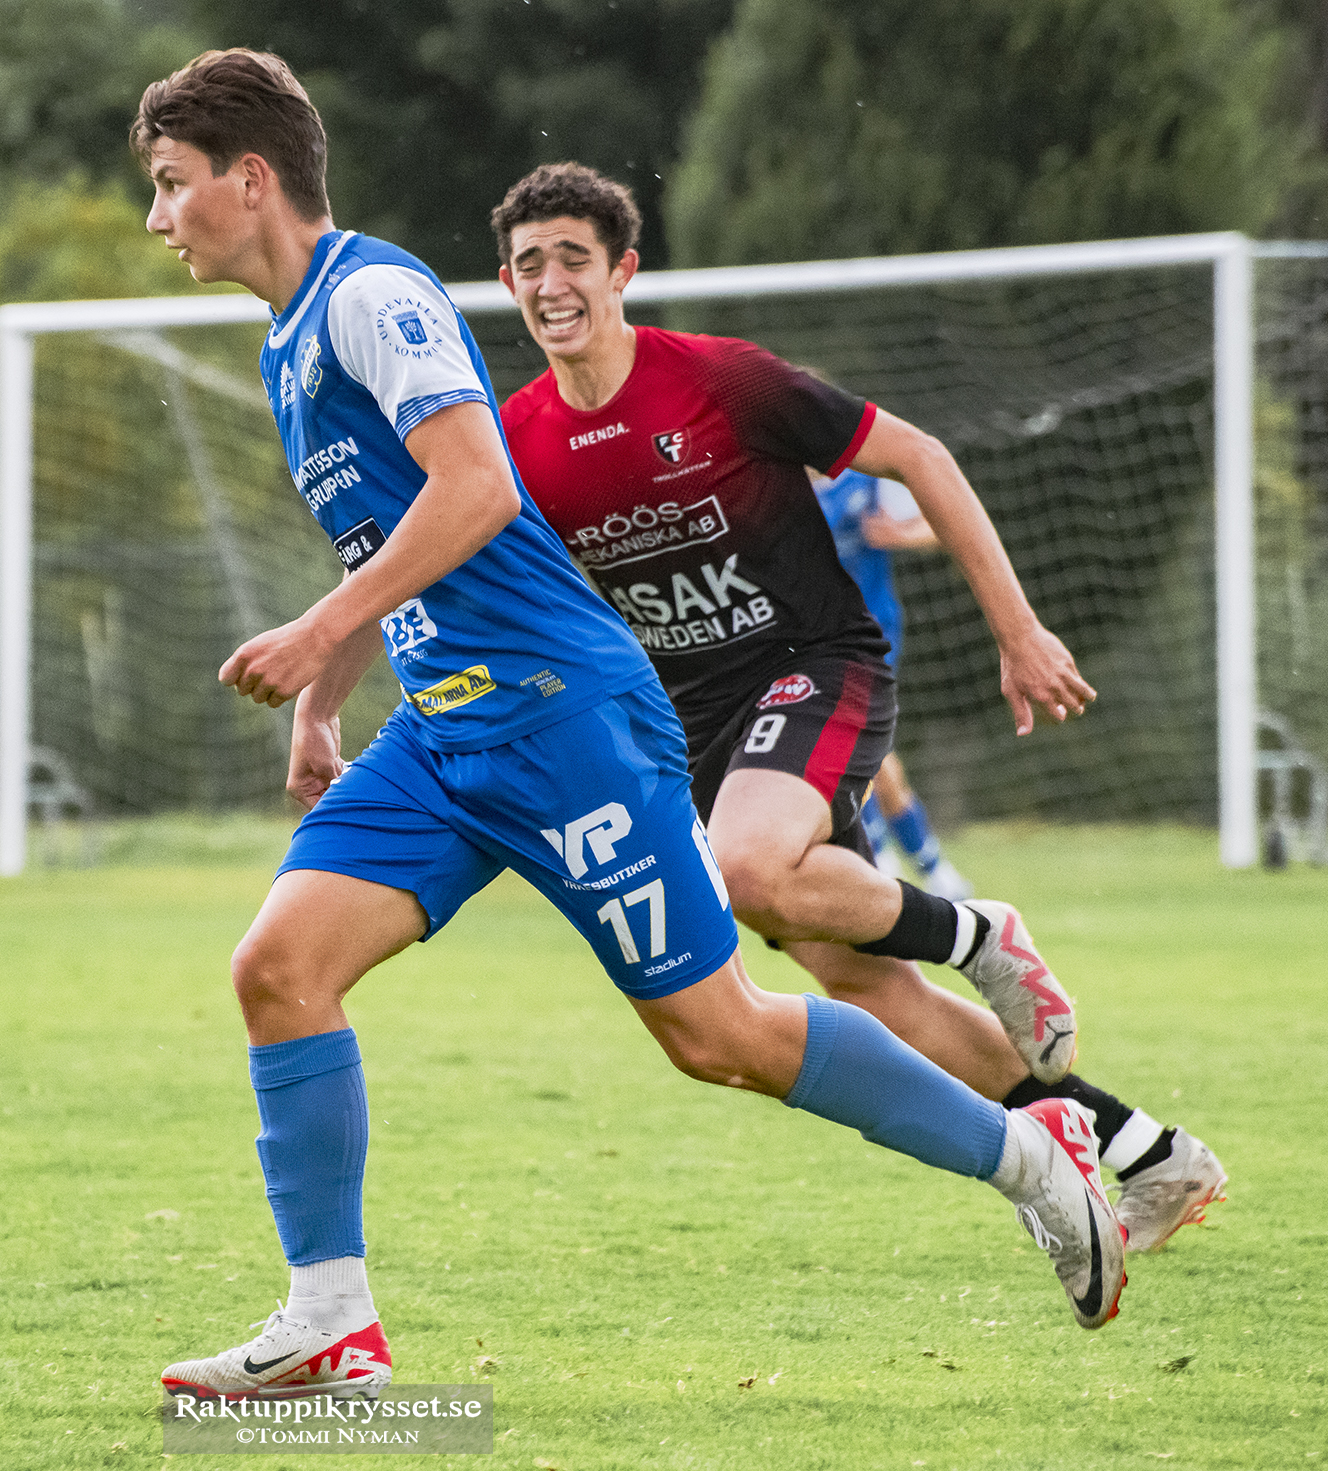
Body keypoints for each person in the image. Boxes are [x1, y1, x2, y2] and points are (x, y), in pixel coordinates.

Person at [131, 52, 1127, 1404]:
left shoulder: (372, 296)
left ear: (249, 179)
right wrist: (322, 699)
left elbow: (474, 491)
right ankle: (330, 1324)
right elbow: (399, 538)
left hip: (566, 723)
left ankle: (1033, 1160)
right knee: (277, 968)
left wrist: (313, 634)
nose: (158, 216)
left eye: (170, 184)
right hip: (443, 736)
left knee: (719, 1034)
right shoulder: (287, 334)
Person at [491, 162, 1225, 1256]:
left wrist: (1017, 630)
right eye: (527, 265)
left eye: (572, 259)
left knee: (747, 869)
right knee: (868, 987)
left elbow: (919, 454)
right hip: (698, 726)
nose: (551, 283)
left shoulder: (721, 380)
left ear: (622, 271)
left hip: (814, 665)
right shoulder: (516, 439)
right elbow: (447, 567)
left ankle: (977, 930)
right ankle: (1150, 1154)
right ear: (508, 283)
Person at [809, 464, 973, 899]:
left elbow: (938, 528)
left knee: (860, 745)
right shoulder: (781, 486)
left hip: (873, 633)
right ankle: (929, 869)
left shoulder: (866, 479)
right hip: (815, 640)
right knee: (868, 750)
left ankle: (888, 860)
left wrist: (898, 534)